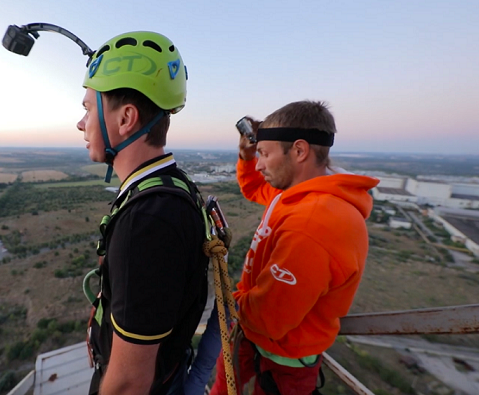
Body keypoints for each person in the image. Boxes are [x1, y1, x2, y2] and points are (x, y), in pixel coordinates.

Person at [210, 101, 379, 395]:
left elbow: (269, 319)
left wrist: (234, 302)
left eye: (264, 154)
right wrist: (247, 154)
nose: (259, 163)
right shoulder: (295, 193)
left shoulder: (314, 223)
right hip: (255, 336)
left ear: (299, 151)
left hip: (283, 357)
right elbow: (252, 187)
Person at [78, 31, 208, 395]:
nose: (80, 122)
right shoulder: (170, 186)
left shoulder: (149, 221)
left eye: (88, 108)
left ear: (126, 119)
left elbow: (129, 383)